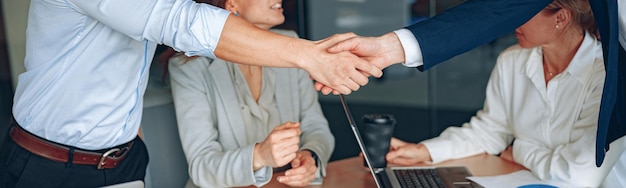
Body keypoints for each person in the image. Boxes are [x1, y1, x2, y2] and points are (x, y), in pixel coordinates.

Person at [0, 0, 380, 187]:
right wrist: (309, 56)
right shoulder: (190, 63)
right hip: (50, 165)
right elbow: (179, 21)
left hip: (125, 160)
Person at [319, 0, 625, 176]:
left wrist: (518, 150)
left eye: (521, 10)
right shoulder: (513, 61)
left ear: (560, 18)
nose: (511, 19)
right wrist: (425, 151)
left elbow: (581, 175)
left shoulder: (608, 77)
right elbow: (490, 130)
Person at [167, 0, 334, 187]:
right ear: (232, 6)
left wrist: (310, 157)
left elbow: (316, 127)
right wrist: (259, 156)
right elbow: (202, 167)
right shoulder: (190, 67)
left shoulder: (295, 48)